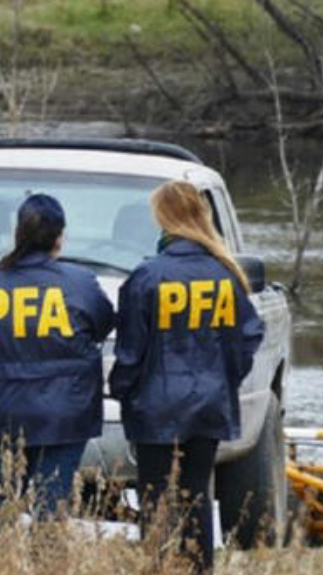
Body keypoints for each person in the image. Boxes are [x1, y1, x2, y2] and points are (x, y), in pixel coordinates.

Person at [110, 180, 264, 573]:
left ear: (164, 219)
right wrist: (224, 379)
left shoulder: (147, 276)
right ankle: (199, 568)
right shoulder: (225, 274)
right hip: (209, 403)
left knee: (154, 499)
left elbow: (130, 349)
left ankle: (159, 567)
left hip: (154, 405)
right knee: (197, 494)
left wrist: (121, 390)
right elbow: (248, 338)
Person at [0, 194, 113, 529]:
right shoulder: (81, 283)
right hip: (65, 415)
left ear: (18, 234)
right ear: (60, 237)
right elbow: (103, 324)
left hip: (4, 413)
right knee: (51, 509)